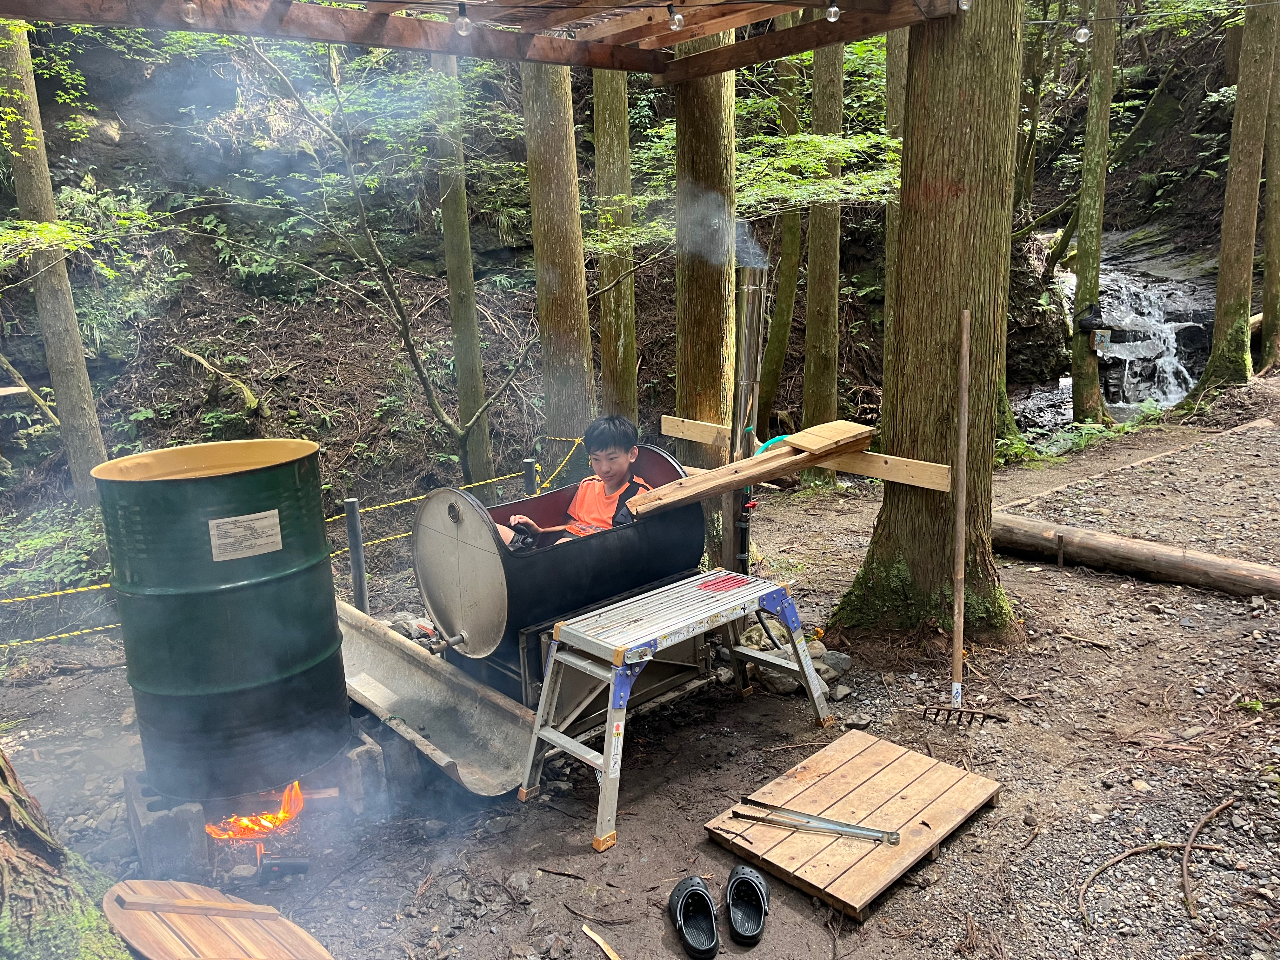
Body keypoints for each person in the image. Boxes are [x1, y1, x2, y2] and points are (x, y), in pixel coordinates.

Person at [498, 416, 651, 547]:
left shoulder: (642, 497)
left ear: (632, 454)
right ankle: (526, 548)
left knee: (563, 546)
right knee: (496, 531)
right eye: (596, 459)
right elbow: (573, 527)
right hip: (563, 549)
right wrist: (540, 531)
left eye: (612, 459)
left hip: (596, 560)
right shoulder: (587, 485)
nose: (604, 468)